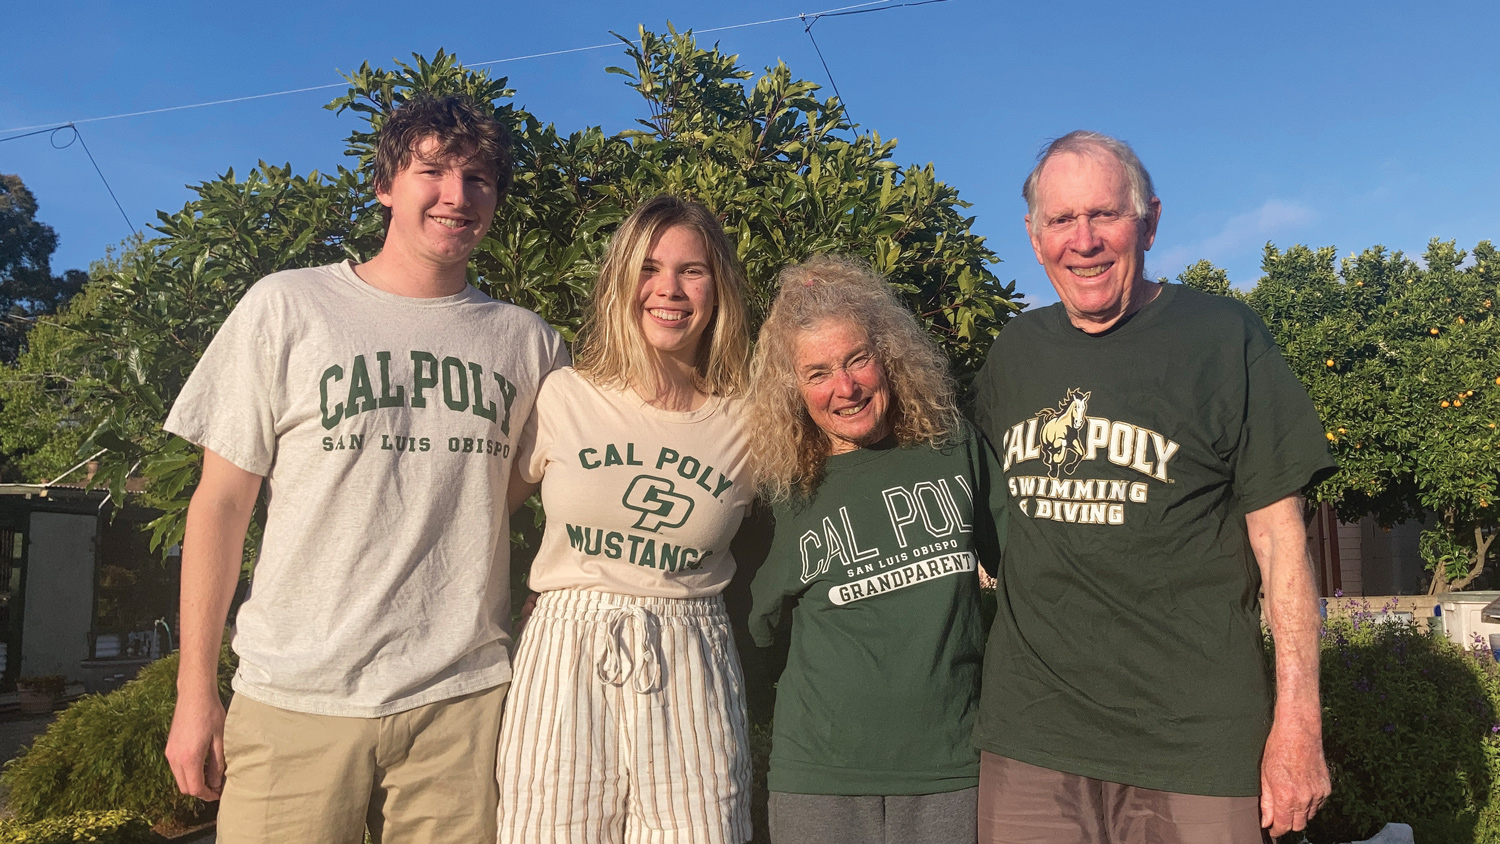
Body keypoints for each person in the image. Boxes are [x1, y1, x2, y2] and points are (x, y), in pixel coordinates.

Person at [163, 95, 567, 843]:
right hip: (295, 702)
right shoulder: (288, 306)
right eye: (434, 170)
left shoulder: (531, 345)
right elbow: (219, 505)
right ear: (386, 184)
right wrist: (196, 694)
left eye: (479, 179)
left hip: (463, 707)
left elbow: (507, 495)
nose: (457, 195)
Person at [969, 130, 1335, 844]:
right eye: (1060, 221)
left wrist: (1299, 725)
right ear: (1033, 235)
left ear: (1150, 221)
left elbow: (1280, 537)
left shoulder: (1223, 339)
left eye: (1104, 215)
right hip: (1031, 742)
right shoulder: (1014, 354)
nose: (1084, 241)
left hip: (1192, 746)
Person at [495, 195, 754, 844]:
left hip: (693, 650)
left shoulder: (749, 420)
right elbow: (479, 517)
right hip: (565, 648)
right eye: (649, 267)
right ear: (620, 281)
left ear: (718, 286)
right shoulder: (565, 395)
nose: (669, 289)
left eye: (692, 270)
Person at [745, 255, 1006, 844]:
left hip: (952, 768)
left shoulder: (952, 444)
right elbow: (755, 629)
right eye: (817, 373)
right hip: (819, 779)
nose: (846, 387)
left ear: (888, 354)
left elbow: (1024, 571)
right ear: (793, 388)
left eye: (858, 359)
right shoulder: (783, 489)